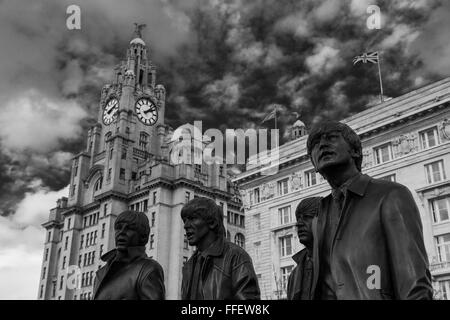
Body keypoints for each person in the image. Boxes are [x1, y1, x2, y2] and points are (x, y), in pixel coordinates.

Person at [306, 120, 432, 300]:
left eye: (331, 137)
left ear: (355, 151)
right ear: (314, 165)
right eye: (316, 143)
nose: (323, 144)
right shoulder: (320, 214)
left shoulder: (391, 195)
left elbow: (414, 284)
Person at [180, 197, 260, 300]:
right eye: (185, 221)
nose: (186, 226)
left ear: (212, 223)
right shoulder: (189, 265)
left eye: (193, 218)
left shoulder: (236, 257)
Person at [93, 210, 165, 300]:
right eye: (118, 228)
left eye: (129, 228)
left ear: (143, 236)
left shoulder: (148, 269)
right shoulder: (101, 273)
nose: (121, 232)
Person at [287, 197, 321, 300]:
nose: (299, 223)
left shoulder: (340, 264)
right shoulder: (294, 275)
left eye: (306, 217)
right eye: (298, 218)